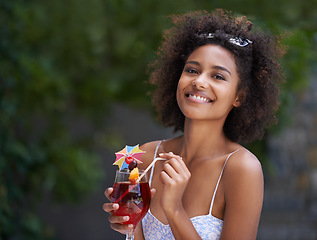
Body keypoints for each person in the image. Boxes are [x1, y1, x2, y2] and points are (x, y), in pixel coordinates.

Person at [103, 9, 285, 240]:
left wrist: (174, 209)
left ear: (239, 96)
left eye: (217, 76)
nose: (199, 81)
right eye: (192, 70)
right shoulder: (145, 156)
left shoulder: (241, 169)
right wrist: (130, 225)